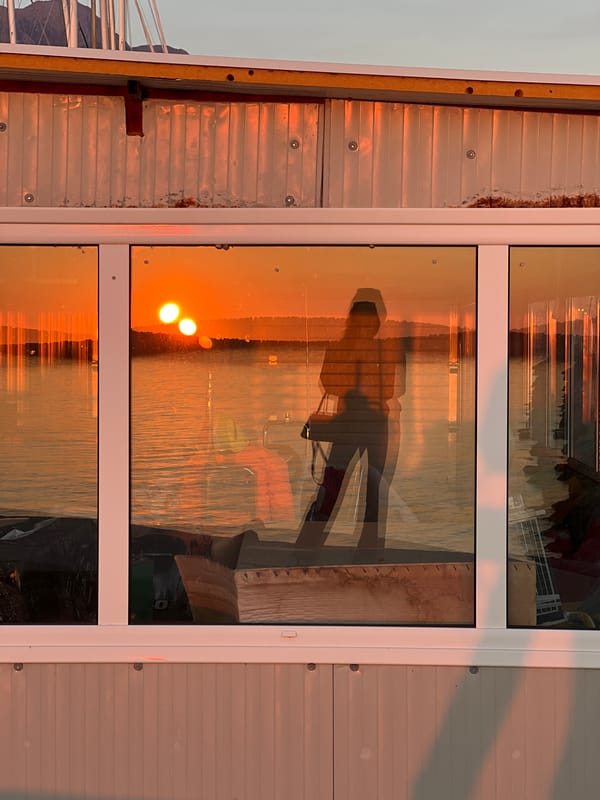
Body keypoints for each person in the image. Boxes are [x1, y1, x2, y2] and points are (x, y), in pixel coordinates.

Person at [296, 288, 405, 550]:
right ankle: (311, 545)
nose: (366, 326)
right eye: (362, 321)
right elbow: (328, 382)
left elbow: (393, 388)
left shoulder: (382, 350)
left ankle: (355, 548)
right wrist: (362, 378)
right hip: (356, 424)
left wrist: (358, 381)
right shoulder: (346, 349)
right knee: (338, 486)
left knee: (366, 490)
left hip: (371, 425)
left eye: (370, 321)